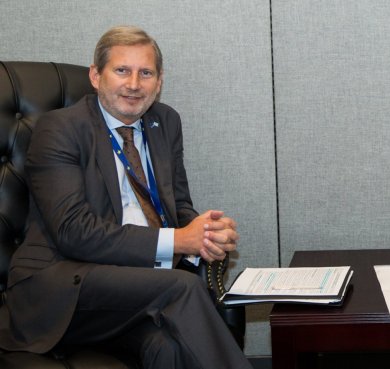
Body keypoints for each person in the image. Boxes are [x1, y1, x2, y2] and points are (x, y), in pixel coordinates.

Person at [0, 26, 251, 369]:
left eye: (145, 73)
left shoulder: (166, 122)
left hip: (135, 289)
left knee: (167, 347)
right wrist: (179, 240)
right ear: (95, 75)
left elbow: (177, 205)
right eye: (122, 70)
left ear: (159, 81)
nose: (134, 84)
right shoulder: (59, 129)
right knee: (181, 287)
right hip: (66, 287)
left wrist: (203, 234)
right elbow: (74, 232)